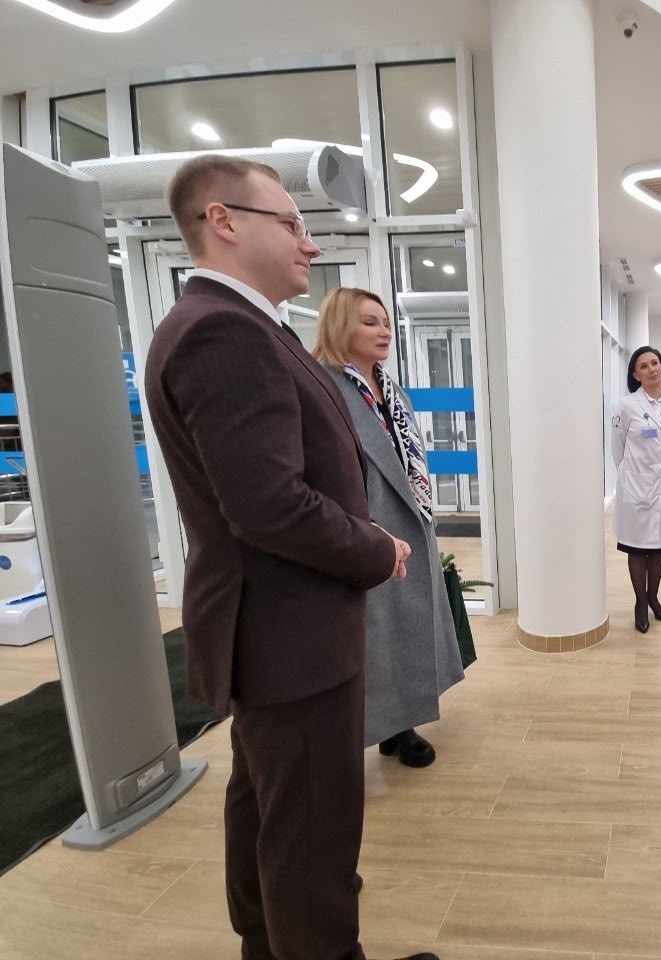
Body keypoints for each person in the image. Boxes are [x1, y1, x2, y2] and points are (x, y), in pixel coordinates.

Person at [143, 155, 435, 960]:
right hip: (289, 633)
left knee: (272, 808)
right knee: (313, 834)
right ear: (224, 222)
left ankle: (265, 947)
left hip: (280, 630)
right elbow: (268, 505)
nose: (310, 244)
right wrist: (375, 546)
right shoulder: (224, 333)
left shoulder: (243, 327)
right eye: (293, 224)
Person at [313, 286, 465, 769]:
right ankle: (373, 729)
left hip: (411, 520)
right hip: (367, 526)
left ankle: (402, 724)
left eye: (385, 323)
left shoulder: (390, 388)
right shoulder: (323, 388)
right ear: (339, 325)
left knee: (406, 628)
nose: (384, 332)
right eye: (369, 322)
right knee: (375, 635)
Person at [612, 345, 661, 632]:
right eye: (643, 366)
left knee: (659, 547)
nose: (651, 369)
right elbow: (617, 449)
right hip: (636, 487)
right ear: (635, 374)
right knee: (637, 548)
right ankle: (640, 603)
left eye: (655, 363)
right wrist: (634, 476)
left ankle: (654, 597)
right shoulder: (627, 405)